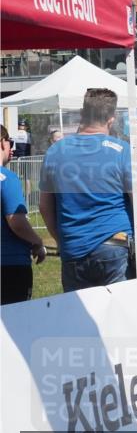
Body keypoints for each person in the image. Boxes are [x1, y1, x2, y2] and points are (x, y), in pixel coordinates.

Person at [39, 88, 137, 292]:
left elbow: (45, 207)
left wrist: (61, 239)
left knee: (80, 318)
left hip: (73, 247)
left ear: (83, 113)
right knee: (118, 314)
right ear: (111, 118)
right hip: (114, 245)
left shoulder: (55, 151)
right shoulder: (122, 151)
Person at [1, 125, 46, 303]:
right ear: (2, 144)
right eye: (9, 142)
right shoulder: (7, 178)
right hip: (9, 265)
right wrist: (38, 241)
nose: (12, 148)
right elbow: (16, 221)